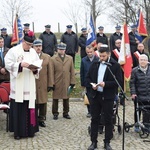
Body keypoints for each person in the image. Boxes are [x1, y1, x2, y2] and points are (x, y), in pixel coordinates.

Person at [4, 33, 41, 140]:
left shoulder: (33, 52)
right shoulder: (14, 51)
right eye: (28, 44)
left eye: (31, 45)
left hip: (29, 84)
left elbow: (38, 64)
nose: (30, 47)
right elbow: (7, 64)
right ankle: (18, 132)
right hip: (19, 84)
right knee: (19, 108)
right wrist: (20, 65)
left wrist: (35, 69)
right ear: (23, 42)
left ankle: (30, 131)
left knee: (30, 107)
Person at [86, 45, 122, 150]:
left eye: (104, 56)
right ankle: (93, 142)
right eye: (100, 56)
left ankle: (107, 142)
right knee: (95, 119)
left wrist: (105, 84)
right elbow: (87, 78)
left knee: (108, 119)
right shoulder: (95, 63)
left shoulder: (114, 65)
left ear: (108, 54)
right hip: (96, 95)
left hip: (108, 96)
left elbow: (118, 82)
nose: (101, 58)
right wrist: (92, 84)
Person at [51, 42, 75, 120]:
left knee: (66, 97)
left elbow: (72, 71)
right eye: (60, 49)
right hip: (57, 80)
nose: (62, 51)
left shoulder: (70, 58)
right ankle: (55, 112)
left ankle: (66, 112)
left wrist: (72, 81)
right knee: (55, 98)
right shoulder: (53, 58)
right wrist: (52, 83)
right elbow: (51, 72)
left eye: (63, 49)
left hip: (66, 80)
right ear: (57, 49)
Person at [33, 39, 53, 127]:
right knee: (34, 101)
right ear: (33, 47)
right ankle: (33, 118)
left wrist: (50, 84)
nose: (38, 48)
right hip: (33, 82)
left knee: (43, 101)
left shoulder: (47, 57)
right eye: (36, 46)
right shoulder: (30, 56)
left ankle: (41, 118)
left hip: (43, 82)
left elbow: (50, 71)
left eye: (39, 46)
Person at [130, 54, 150, 132]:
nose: (142, 61)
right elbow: (132, 83)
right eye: (141, 60)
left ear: (147, 61)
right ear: (139, 61)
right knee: (137, 109)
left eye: (144, 60)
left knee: (148, 110)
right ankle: (137, 124)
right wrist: (133, 93)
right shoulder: (135, 70)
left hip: (148, 93)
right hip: (139, 95)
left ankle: (147, 124)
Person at [80, 45, 99, 117]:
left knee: (96, 97)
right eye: (88, 52)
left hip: (96, 81)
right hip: (87, 82)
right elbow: (82, 72)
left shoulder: (97, 59)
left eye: (91, 52)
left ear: (93, 51)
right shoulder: (83, 60)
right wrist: (83, 83)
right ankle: (90, 111)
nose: (89, 54)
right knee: (89, 97)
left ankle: (96, 110)